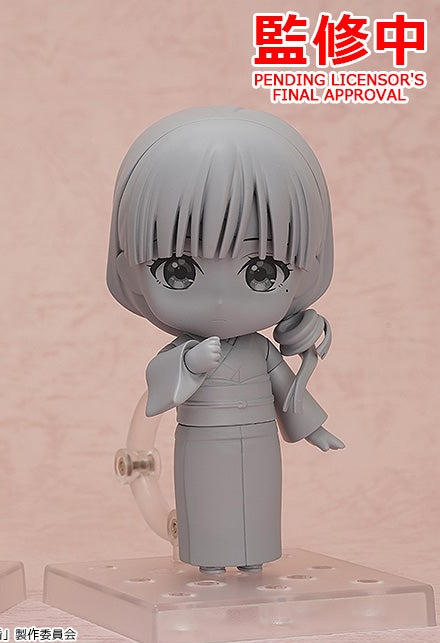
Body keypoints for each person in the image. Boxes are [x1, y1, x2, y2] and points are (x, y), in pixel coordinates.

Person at [106, 107, 344, 573]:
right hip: (201, 440)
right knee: (207, 505)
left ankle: (254, 561)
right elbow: (158, 382)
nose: (219, 301)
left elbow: (287, 390)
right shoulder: (185, 351)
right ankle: (210, 563)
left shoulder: (260, 351)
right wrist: (190, 365)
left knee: (258, 503)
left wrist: (313, 428)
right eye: (177, 271)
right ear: (127, 268)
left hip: (259, 440)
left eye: (262, 272)